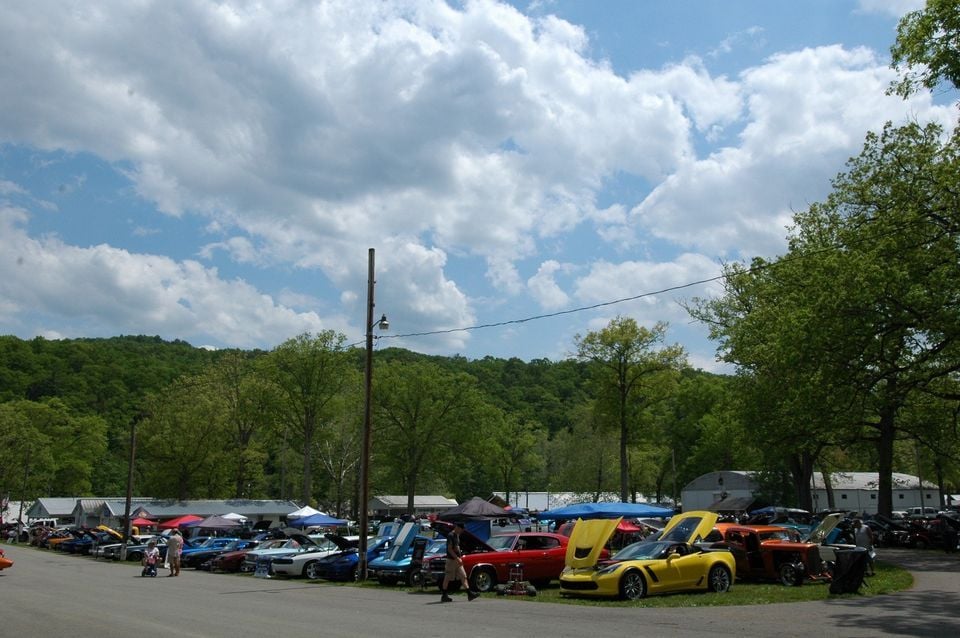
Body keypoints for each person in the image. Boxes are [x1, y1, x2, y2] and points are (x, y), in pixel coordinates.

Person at [441, 521, 478, 602]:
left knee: (463, 576)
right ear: (457, 527)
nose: (462, 531)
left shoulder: (457, 535)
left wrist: (460, 556)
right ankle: (444, 595)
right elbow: (450, 549)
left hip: (458, 560)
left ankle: (469, 594)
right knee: (447, 577)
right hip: (451, 560)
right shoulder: (450, 535)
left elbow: (457, 547)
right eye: (461, 529)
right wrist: (457, 558)